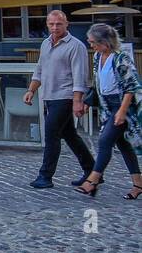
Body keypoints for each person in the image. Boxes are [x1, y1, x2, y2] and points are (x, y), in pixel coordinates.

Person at [25, 10, 93, 189]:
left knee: (51, 135)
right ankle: (92, 171)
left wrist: (77, 101)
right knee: (70, 135)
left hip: (65, 96)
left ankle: (45, 176)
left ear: (66, 24)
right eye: (51, 24)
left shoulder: (76, 46)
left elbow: (80, 76)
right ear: (47, 24)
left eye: (59, 24)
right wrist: (31, 90)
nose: (55, 27)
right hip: (49, 96)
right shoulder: (45, 44)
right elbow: (40, 69)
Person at [76, 23, 142, 199]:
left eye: (93, 42)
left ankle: (92, 180)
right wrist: (87, 103)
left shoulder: (122, 58)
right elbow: (99, 85)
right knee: (124, 145)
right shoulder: (98, 57)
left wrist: (122, 111)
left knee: (105, 141)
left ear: (105, 42)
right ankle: (138, 185)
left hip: (123, 106)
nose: (91, 45)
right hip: (108, 106)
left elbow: (131, 87)